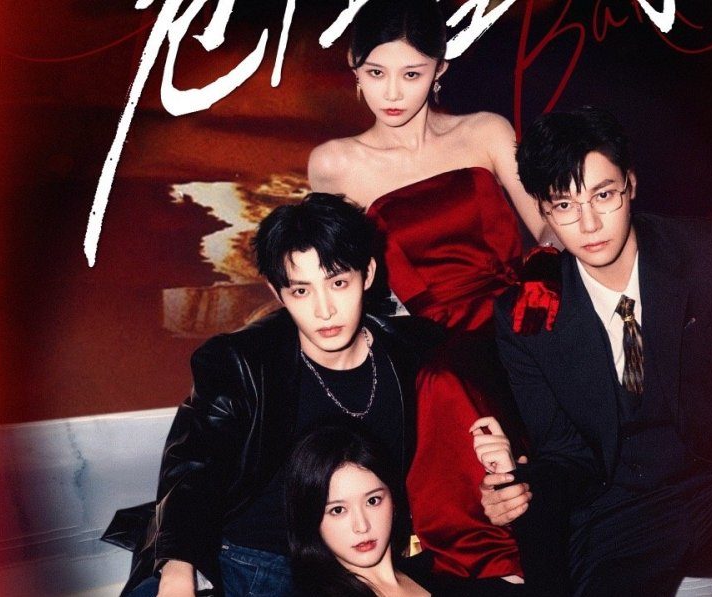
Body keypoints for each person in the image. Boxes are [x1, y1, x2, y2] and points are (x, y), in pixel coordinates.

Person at [483, 106, 712, 595]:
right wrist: (519, 489)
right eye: (565, 205)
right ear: (543, 210)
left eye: (603, 195)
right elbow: (564, 455)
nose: (589, 223)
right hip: (618, 514)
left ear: (631, 184)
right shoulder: (526, 314)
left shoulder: (702, 252)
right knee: (542, 529)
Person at [307, 0, 554, 587]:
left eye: (412, 73)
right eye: (376, 73)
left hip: (521, 312)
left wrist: (538, 291)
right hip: (428, 334)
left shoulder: (486, 131)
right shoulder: (335, 163)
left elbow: (548, 227)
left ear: (440, 69)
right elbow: (336, 274)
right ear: (354, 67)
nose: (393, 93)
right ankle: (495, 566)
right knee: (443, 381)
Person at [104, 193, 441, 597]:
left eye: (338, 283)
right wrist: (179, 572)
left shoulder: (411, 354)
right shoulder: (242, 362)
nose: (325, 310)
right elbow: (192, 470)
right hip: (234, 560)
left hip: (339, 570)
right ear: (277, 292)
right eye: (301, 291)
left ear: (367, 274)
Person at [286, 424, 447, 597]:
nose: (362, 526)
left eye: (372, 501)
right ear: (310, 517)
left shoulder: (439, 573)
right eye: (338, 510)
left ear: (393, 500)